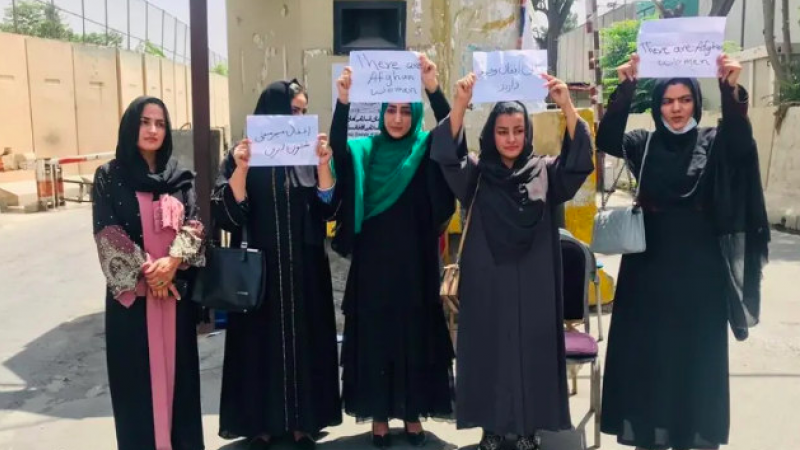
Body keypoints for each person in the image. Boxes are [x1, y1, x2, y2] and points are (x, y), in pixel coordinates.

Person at [598, 53, 770, 450]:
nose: (676, 109)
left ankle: (693, 438)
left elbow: (742, 143)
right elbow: (606, 140)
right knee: (651, 363)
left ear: (696, 101)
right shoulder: (644, 143)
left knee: (697, 363)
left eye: (684, 100)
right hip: (648, 275)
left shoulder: (713, 141)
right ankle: (652, 438)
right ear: (657, 106)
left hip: (700, 276)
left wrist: (729, 88)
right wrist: (625, 87)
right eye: (667, 101)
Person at [431, 73, 594, 450]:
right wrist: (459, 102)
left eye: (518, 130)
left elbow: (579, 160)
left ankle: (528, 428)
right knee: (488, 349)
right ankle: (491, 427)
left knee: (531, 350)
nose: (510, 139)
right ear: (491, 133)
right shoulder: (475, 173)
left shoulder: (546, 171)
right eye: (502, 131)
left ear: (528, 133)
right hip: (487, 279)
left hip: (535, 280)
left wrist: (565, 104)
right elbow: (445, 154)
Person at [329, 54, 455, 448]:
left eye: (405, 111)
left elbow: (453, 136)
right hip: (374, 267)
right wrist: (343, 102)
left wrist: (433, 88)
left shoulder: (426, 149)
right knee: (377, 339)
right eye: (391, 111)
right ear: (381, 111)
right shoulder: (364, 150)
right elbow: (336, 151)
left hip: (415, 265)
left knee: (414, 336)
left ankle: (413, 413)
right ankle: (380, 416)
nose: (398, 119)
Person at [212, 80, 341, 450]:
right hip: (259, 275)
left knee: (305, 341)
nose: (299, 118)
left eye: (303, 111)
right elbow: (228, 215)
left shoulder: (309, 155)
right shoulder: (242, 153)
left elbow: (329, 208)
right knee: (257, 345)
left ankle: (304, 424)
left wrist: (323, 166)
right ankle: (260, 425)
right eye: (293, 111)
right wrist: (240, 169)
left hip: (304, 272)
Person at [92, 96, 206, 450]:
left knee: (181, 384)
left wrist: (172, 264)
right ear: (131, 126)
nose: (153, 129)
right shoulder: (110, 176)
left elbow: (196, 224)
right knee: (135, 387)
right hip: (134, 305)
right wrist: (150, 273)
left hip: (175, 298)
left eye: (160, 123)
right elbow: (107, 232)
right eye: (145, 121)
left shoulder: (179, 176)